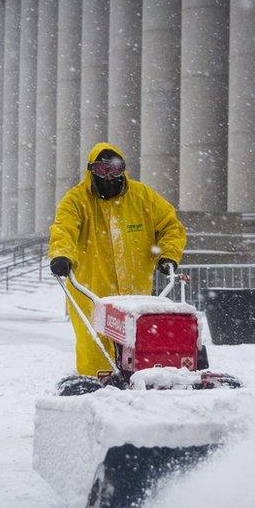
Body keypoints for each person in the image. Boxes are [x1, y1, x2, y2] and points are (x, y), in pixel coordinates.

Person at [48, 142, 186, 378]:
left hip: (136, 298)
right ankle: (95, 395)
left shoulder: (143, 197)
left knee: (142, 352)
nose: (110, 176)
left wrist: (168, 255)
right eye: (102, 170)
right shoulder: (76, 201)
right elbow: (64, 230)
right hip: (92, 296)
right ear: (91, 171)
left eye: (115, 169)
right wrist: (62, 254)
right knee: (96, 356)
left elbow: (171, 226)